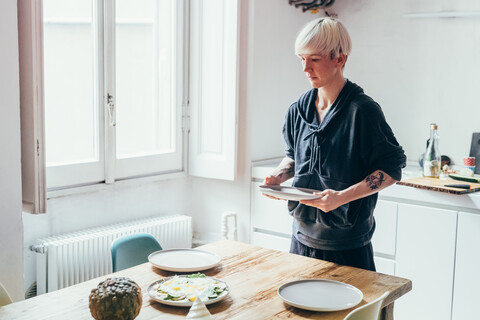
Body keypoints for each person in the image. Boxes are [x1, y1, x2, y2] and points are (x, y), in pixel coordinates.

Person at [264, 17, 406, 271]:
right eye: (302, 59)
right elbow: (294, 157)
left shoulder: (363, 111)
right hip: (300, 241)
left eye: (314, 59)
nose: (306, 68)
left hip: (348, 248)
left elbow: (392, 169)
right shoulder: (298, 110)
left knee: (352, 312)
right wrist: (278, 175)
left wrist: (341, 198)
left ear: (340, 59)